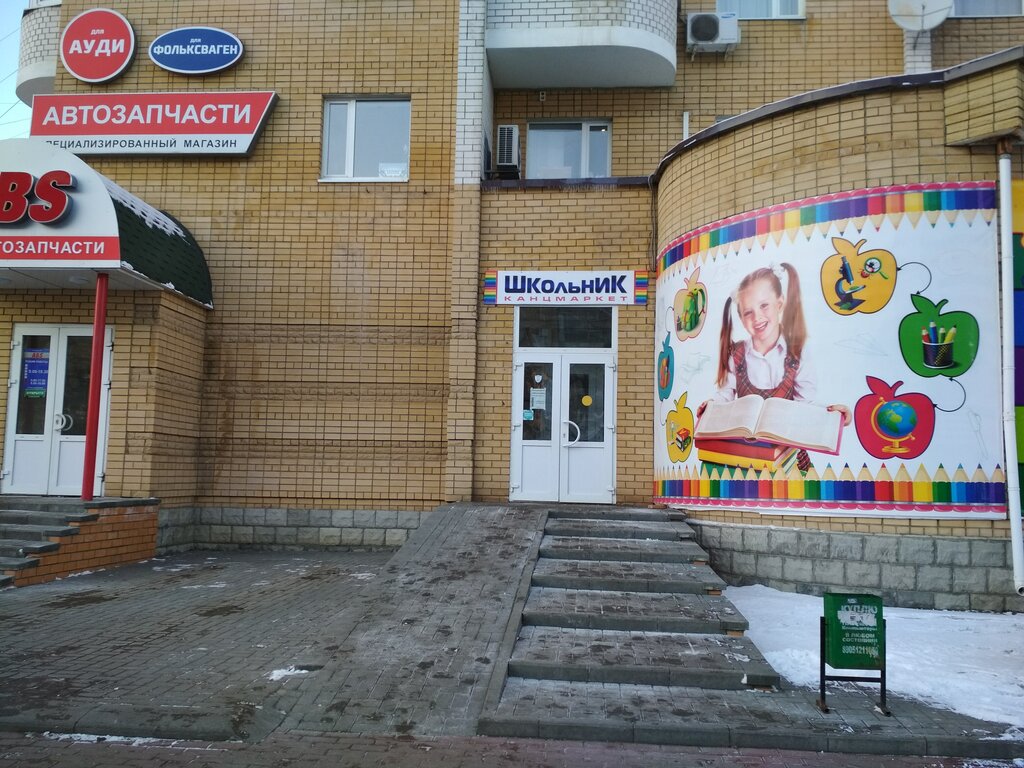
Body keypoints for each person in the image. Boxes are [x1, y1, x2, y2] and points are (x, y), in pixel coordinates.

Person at [696, 262, 851, 427]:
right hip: (746, 442)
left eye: (764, 306)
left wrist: (832, 413)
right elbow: (724, 397)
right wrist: (712, 406)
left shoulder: (797, 352)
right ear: (741, 318)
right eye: (748, 312)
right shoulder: (736, 355)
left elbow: (806, 404)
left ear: (779, 303)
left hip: (785, 440)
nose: (757, 317)